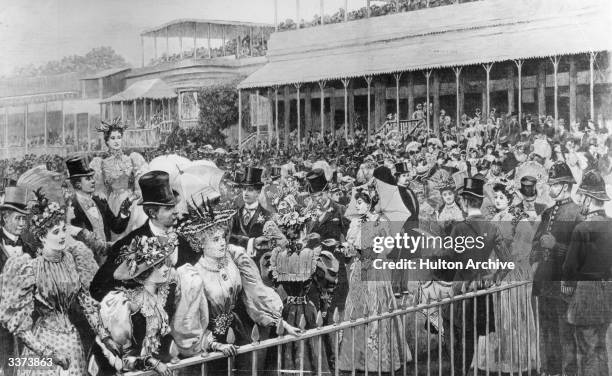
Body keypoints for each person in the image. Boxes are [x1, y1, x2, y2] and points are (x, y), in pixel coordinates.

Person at [179, 200, 301, 375]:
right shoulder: (193, 275)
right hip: (212, 343)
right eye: (215, 239)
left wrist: (281, 323)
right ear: (201, 244)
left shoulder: (235, 257)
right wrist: (214, 344)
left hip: (242, 330)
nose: (222, 243)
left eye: (223, 237)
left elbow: (255, 293)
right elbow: (189, 321)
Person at [0, 192, 105, 375]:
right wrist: (47, 353)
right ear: (42, 237)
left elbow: (85, 301)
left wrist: (104, 335)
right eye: (56, 232)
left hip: (72, 341)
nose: (63, 235)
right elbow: (18, 320)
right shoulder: (28, 266)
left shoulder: (70, 260)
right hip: (42, 339)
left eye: (64, 229)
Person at [90, 170, 199, 302]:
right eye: (169, 208)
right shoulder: (128, 244)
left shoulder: (185, 236)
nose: (176, 212)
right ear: (153, 213)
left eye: (175, 205)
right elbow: (97, 289)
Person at [441, 177, 509, 376]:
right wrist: (492, 279)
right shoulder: (492, 227)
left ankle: (458, 371)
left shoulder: (459, 228)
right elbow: (506, 261)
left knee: (455, 332)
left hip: (460, 287)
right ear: (479, 202)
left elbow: (448, 260)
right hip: (481, 289)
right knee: (471, 335)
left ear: (464, 202)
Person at [337, 189, 407, 373]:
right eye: (356, 202)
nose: (357, 205)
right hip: (358, 270)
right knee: (357, 308)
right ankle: (356, 359)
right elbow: (353, 248)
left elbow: (386, 248)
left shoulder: (380, 221)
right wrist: (349, 250)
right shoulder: (354, 223)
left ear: (369, 203)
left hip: (375, 270)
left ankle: (378, 359)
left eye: (361, 202)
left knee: (376, 307)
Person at [477, 182, 538, 374]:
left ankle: (519, 360)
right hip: (498, 271)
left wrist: (503, 267)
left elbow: (521, 251)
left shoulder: (519, 220)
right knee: (500, 316)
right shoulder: (494, 219)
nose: (497, 200)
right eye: (496, 197)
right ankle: (502, 358)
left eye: (502, 197)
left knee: (514, 316)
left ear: (511, 199)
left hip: (514, 273)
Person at [530, 161, 582, 376]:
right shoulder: (547, 213)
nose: (549, 188)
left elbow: (581, 254)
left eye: (554, 184)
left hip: (564, 285)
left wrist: (556, 246)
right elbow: (535, 244)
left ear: (565, 186)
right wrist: (534, 260)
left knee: (565, 336)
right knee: (546, 333)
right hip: (544, 283)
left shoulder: (578, 213)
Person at [563, 170, 612, 376]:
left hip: (585, 296)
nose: (580, 200)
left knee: (587, 350)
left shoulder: (582, 229)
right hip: (607, 294)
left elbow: (569, 268)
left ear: (589, 198)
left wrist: (567, 289)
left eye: (582, 196)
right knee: (599, 347)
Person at [89, 117, 149, 240]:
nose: (116, 141)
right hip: (114, 203)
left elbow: (139, 183)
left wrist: (135, 194)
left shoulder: (132, 158)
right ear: (107, 141)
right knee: (118, 235)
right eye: (113, 138)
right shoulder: (101, 163)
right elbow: (100, 190)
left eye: (119, 137)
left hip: (131, 199)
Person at [67, 156, 131, 264]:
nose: (93, 181)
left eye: (92, 177)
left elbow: (116, 227)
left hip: (107, 259)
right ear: (77, 184)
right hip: (87, 261)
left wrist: (124, 211)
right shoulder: (71, 207)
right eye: (88, 179)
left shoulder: (100, 202)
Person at [305, 168, 350, 319]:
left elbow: (351, 238)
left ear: (328, 192)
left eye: (320, 195)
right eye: (314, 196)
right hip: (314, 273)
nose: (317, 199)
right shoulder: (308, 214)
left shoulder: (340, 210)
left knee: (336, 315)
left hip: (335, 271)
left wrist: (341, 247)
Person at [0, 186, 35, 376]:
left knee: (24, 363)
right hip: (0, 321)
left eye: (24, 218)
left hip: (25, 320)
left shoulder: (29, 249)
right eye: (17, 218)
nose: (22, 223)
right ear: (5, 218)